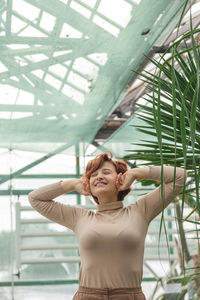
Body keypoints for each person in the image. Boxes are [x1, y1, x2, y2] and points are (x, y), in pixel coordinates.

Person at [28, 151, 187, 300]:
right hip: (88, 296)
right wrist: (71, 184)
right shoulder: (79, 217)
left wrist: (136, 173)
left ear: (120, 178)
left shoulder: (140, 211)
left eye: (106, 172)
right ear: (88, 185)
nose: (99, 177)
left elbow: (179, 177)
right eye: (93, 175)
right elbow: (35, 198)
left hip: (129, 296)